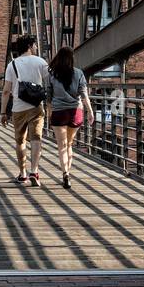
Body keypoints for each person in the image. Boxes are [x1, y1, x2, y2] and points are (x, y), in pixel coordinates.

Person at [0, 35, 48, 186]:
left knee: (20, 141)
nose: (36, 48)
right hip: (36, 106)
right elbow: (50, 84)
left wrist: (2, 112)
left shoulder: (12, 65)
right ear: (29, 45)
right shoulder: (41, 62)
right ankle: (34, 171)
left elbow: (6, 91)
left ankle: (23, 174)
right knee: (36, 138)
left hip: (18, 108)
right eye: (34, 45)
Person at [46, 46, 93, 189]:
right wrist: (90, 111)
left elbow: (48, 97)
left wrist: (49, 113)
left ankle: (65, 173)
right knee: (69, 144)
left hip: (59, 112)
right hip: (75, 111)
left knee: (62, 146)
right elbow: (84, 94)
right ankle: (68, 173)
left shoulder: (52, 75)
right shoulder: (78, 73)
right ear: (71, 58)